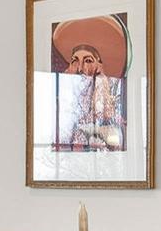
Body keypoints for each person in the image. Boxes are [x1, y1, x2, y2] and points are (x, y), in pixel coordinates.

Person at [51, 14, 128, 151]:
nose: (80, 69)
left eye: (88, 61)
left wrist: (93, 130)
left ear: (98, 66)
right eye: (75, 61)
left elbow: (116, 140)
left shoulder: (106, 98)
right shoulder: (63, 99)